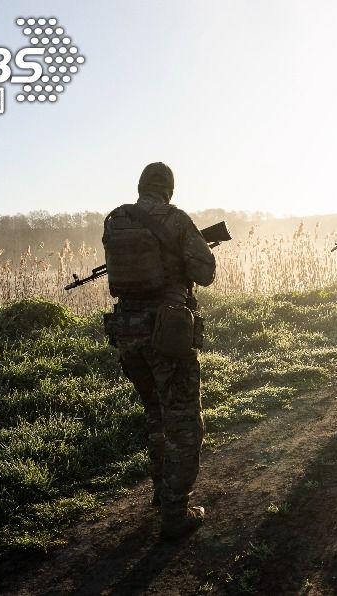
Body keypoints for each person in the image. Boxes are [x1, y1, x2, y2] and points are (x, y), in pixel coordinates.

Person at [101, 162, 216, 540]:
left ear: (139, 186)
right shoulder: (177, 219)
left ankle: (159, 492)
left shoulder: (115, 220)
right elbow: (204, 272)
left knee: (155, 413)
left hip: (127, 334)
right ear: (169, 188)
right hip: (168, 335)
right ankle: (175, 514)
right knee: (184, 423)